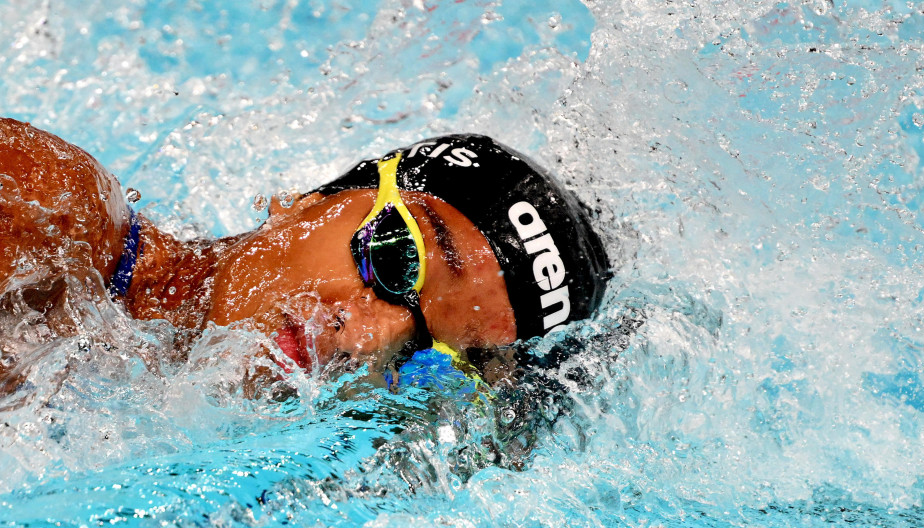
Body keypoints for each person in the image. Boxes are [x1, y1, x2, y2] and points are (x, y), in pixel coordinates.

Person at [0, 117, 610, 389]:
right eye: (397, 259)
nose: (367, 337)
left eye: (423, 347)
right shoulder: (47, 216)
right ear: (308, 201)